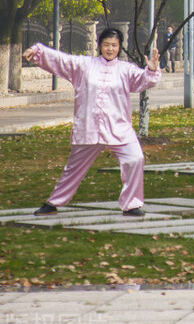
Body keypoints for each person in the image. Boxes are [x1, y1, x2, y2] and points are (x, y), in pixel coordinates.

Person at [25, 29, 161, 217]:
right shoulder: (84, 65)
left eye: (114, 45)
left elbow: (144, 81)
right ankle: (53, 203)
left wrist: (152, 69)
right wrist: (37, 51)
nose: (110, 48)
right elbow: (61, 59)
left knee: (135, 159)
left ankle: (131, 205)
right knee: (73, 169)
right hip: (88, 127)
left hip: (118, 128)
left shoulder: (125, 69)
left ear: (119, 47)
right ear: (100, 46)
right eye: (106, 44)